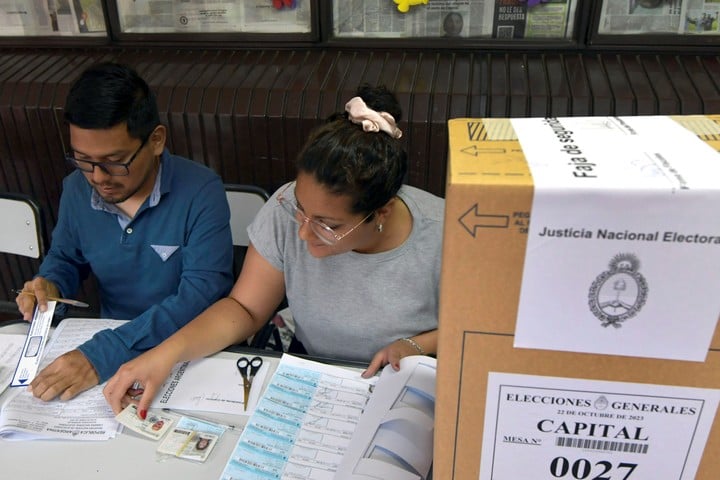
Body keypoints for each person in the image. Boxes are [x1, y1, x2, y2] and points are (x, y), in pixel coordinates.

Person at [103, 84, 444, 419]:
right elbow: (245, 308)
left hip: (409, 388)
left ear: (381, 212)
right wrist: (165, 355)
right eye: (300, 207)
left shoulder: (444, 236)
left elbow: (482, 333)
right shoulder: (285, 209)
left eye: (328, 224)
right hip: (317, 377)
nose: (303, 231)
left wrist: (416, 346)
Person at [15, 62, 234, 402]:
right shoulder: (77, 188)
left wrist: (102, 354)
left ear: (156, 140)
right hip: (111, 343)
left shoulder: (201, 191)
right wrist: (50, 285)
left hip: (187, 352)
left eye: (115, 161)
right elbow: (66, 258)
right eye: (83, 159)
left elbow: (200, 296)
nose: (98, 177)